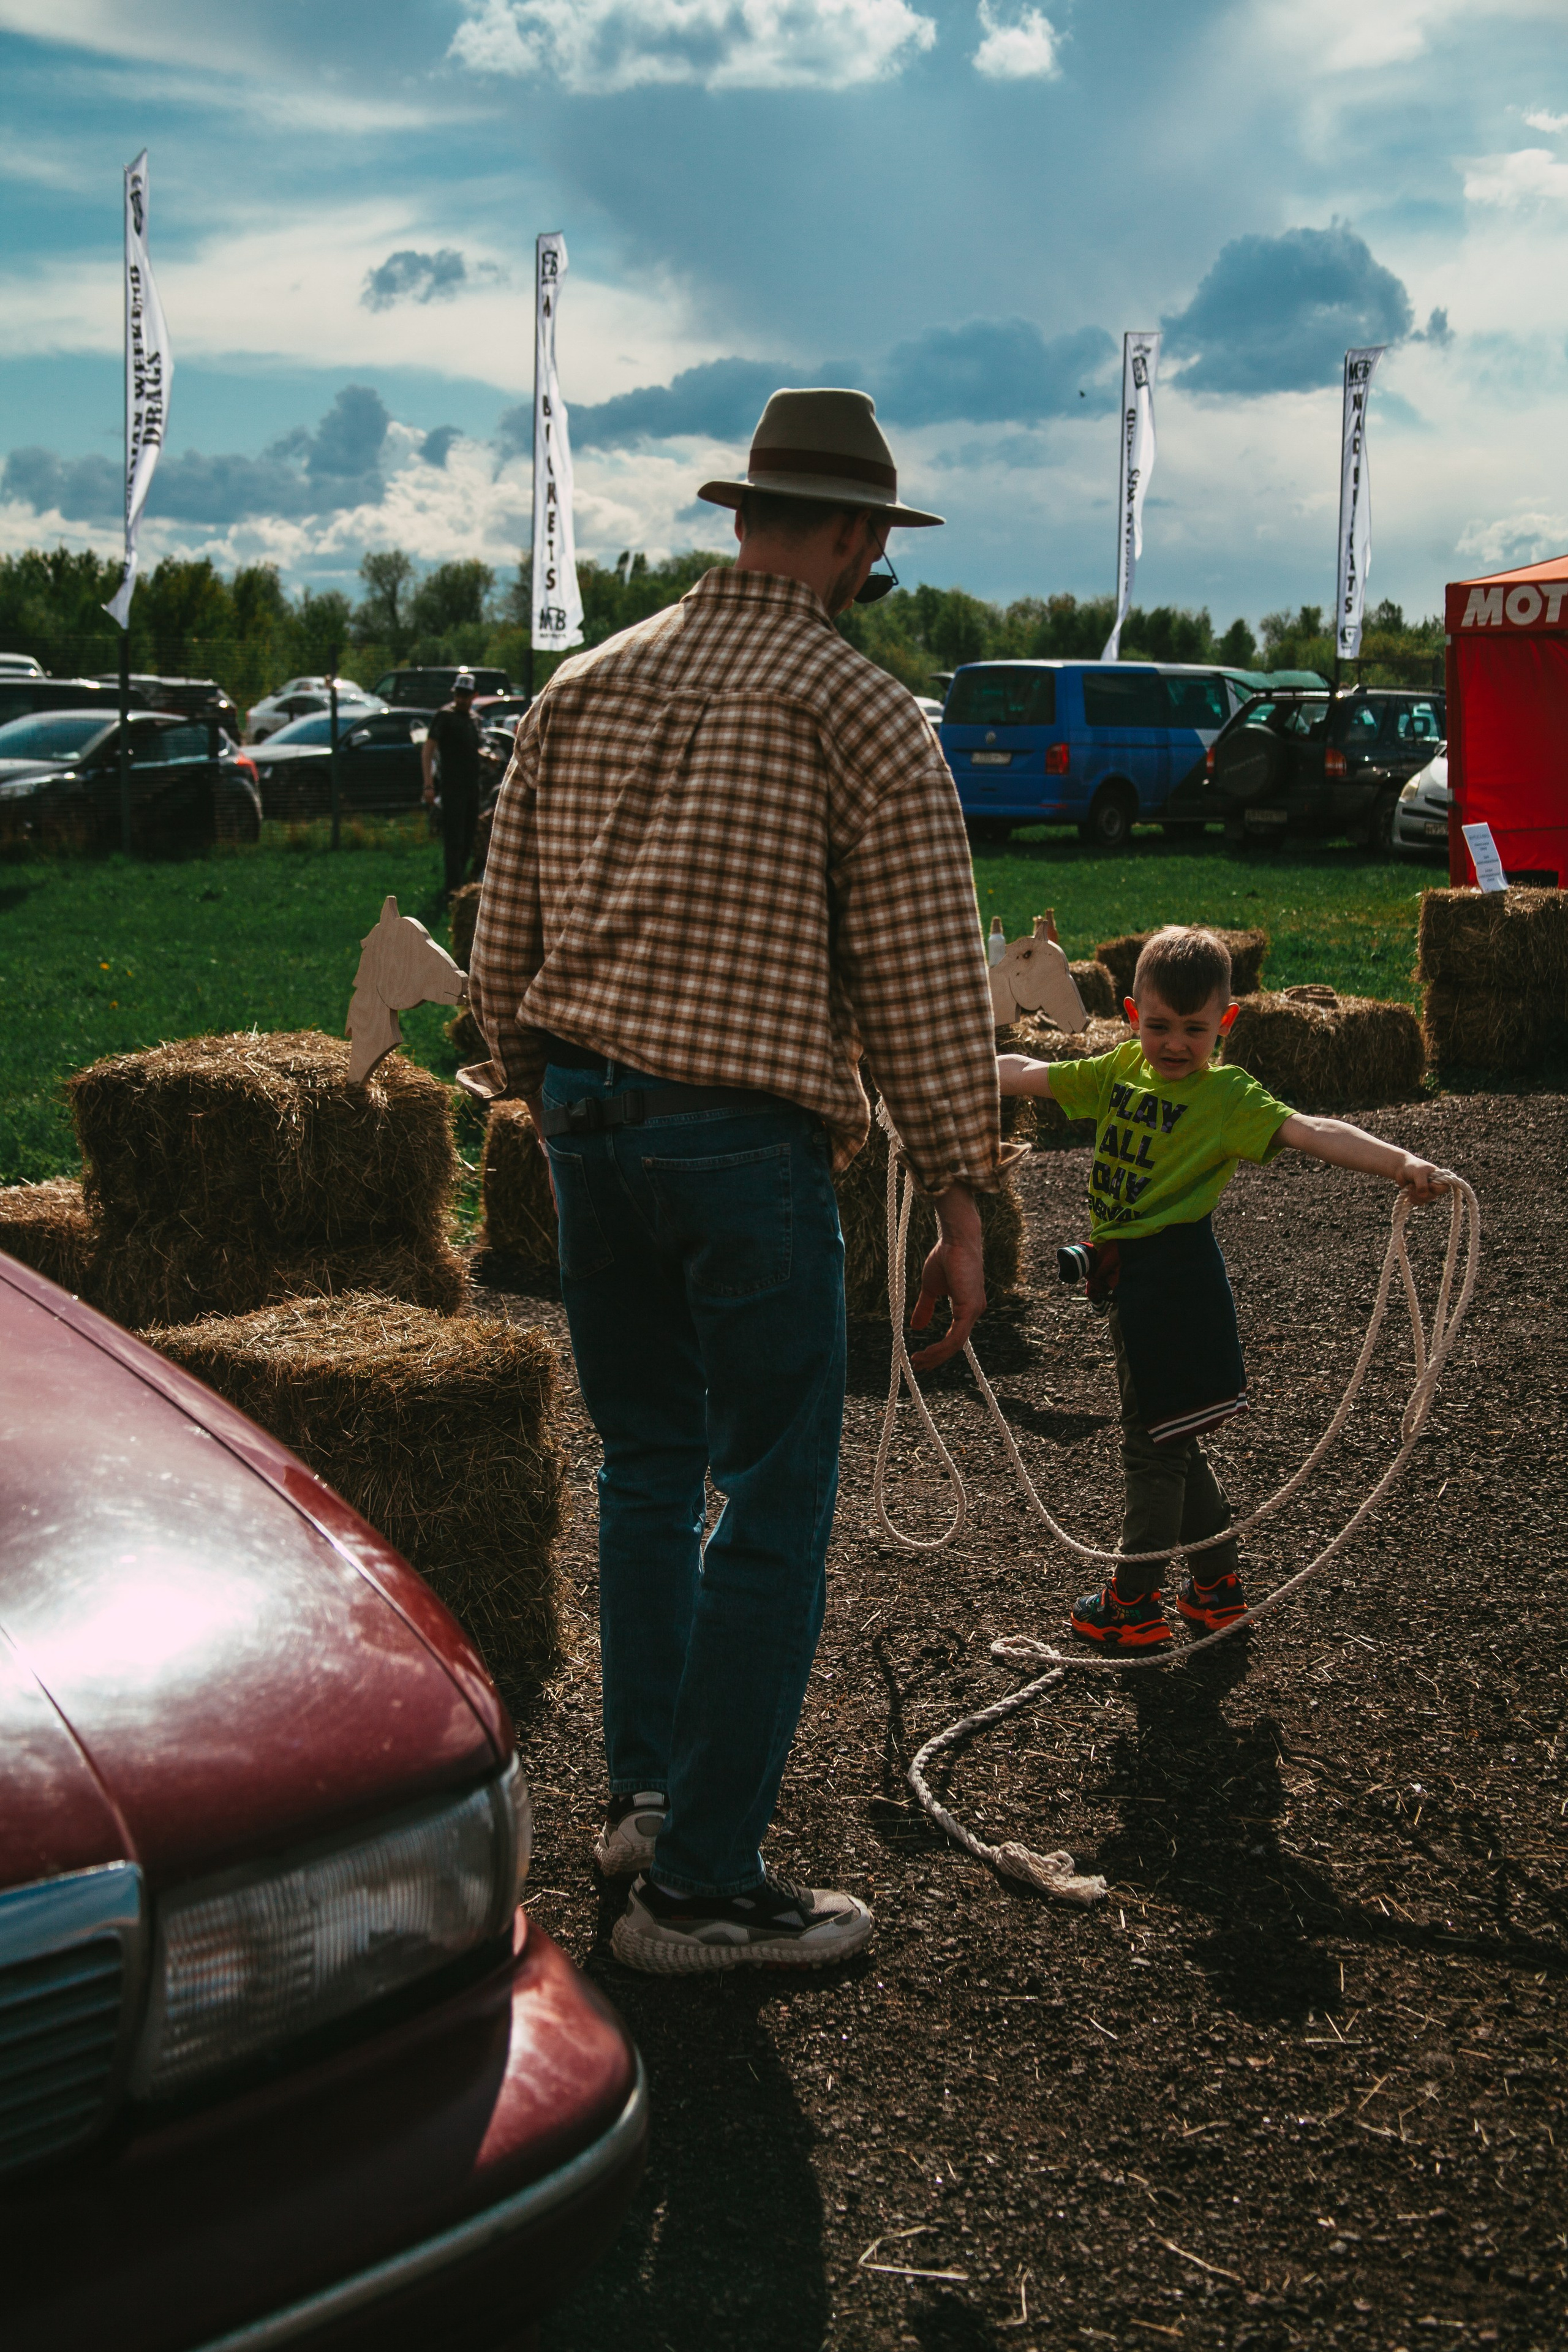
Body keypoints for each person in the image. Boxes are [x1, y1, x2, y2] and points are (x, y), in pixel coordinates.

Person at [469, 388, 1008, 1973]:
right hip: (743, 1135)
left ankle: (643, 1802)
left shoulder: (587, 684)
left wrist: (536, 1082)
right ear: (853, 540)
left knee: (643, 1463)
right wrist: (964, 1190)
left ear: (740, 514)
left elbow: (503, 926)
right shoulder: (861, 710)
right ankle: (701, 1886)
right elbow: (917, 976)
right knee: (773, 1489)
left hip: (584, 1113)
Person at [999, 925, 1448, 1649]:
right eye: (1160, 1027)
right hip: (1133, 1284)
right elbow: (1026, 1072)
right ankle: (1216, 1589)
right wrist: (951, 1068)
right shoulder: (1118, 1071)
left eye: (1194, 1030)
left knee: (1152, 1447)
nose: (1175, 1044)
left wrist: (1400, 1161)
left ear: (1225, 1024)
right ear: (1129, 1013)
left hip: (1174, 1286)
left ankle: (1134, 1603)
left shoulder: (1225, 1096)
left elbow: (1312, 1128)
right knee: (1176, 1439)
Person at [422, 670, 482, 894]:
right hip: (452, 786)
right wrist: (428, 783)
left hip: (472, 786)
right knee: (454, 839)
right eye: (459, 695)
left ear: (474, 695)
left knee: (468, 839)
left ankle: (463, 886)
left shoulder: (474, 720)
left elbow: (472, 749)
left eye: (466, 696)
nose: (462, 700)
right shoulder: (445, 717)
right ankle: (453, 889)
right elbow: (428, 749)